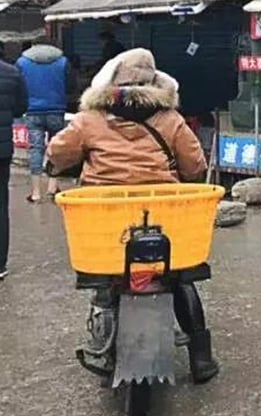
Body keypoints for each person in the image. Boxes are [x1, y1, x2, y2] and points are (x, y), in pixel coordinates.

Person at [45, 48, 218, 383]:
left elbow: (58, 153)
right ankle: (201, 357)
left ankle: (103, 343)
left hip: (105, 218)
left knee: (106, 274)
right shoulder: (170, 119)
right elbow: (195, 164)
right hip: (163, 216)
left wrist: (55, 165)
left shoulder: (90, 118)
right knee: (180, 276)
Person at [16, 41, 72, 202]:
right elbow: (71, 86)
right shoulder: (63, 61)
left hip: (32, 111)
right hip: (56, 109)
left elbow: (18, 86)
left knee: (36, 149)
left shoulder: (21, 62)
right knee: (56, 148)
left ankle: (35, 192)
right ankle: (52, 187)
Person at [0, 58, 28, 280]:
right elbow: (21, 107)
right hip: (3, 148)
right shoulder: (12, 72)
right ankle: (0, 264)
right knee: (1, 205)